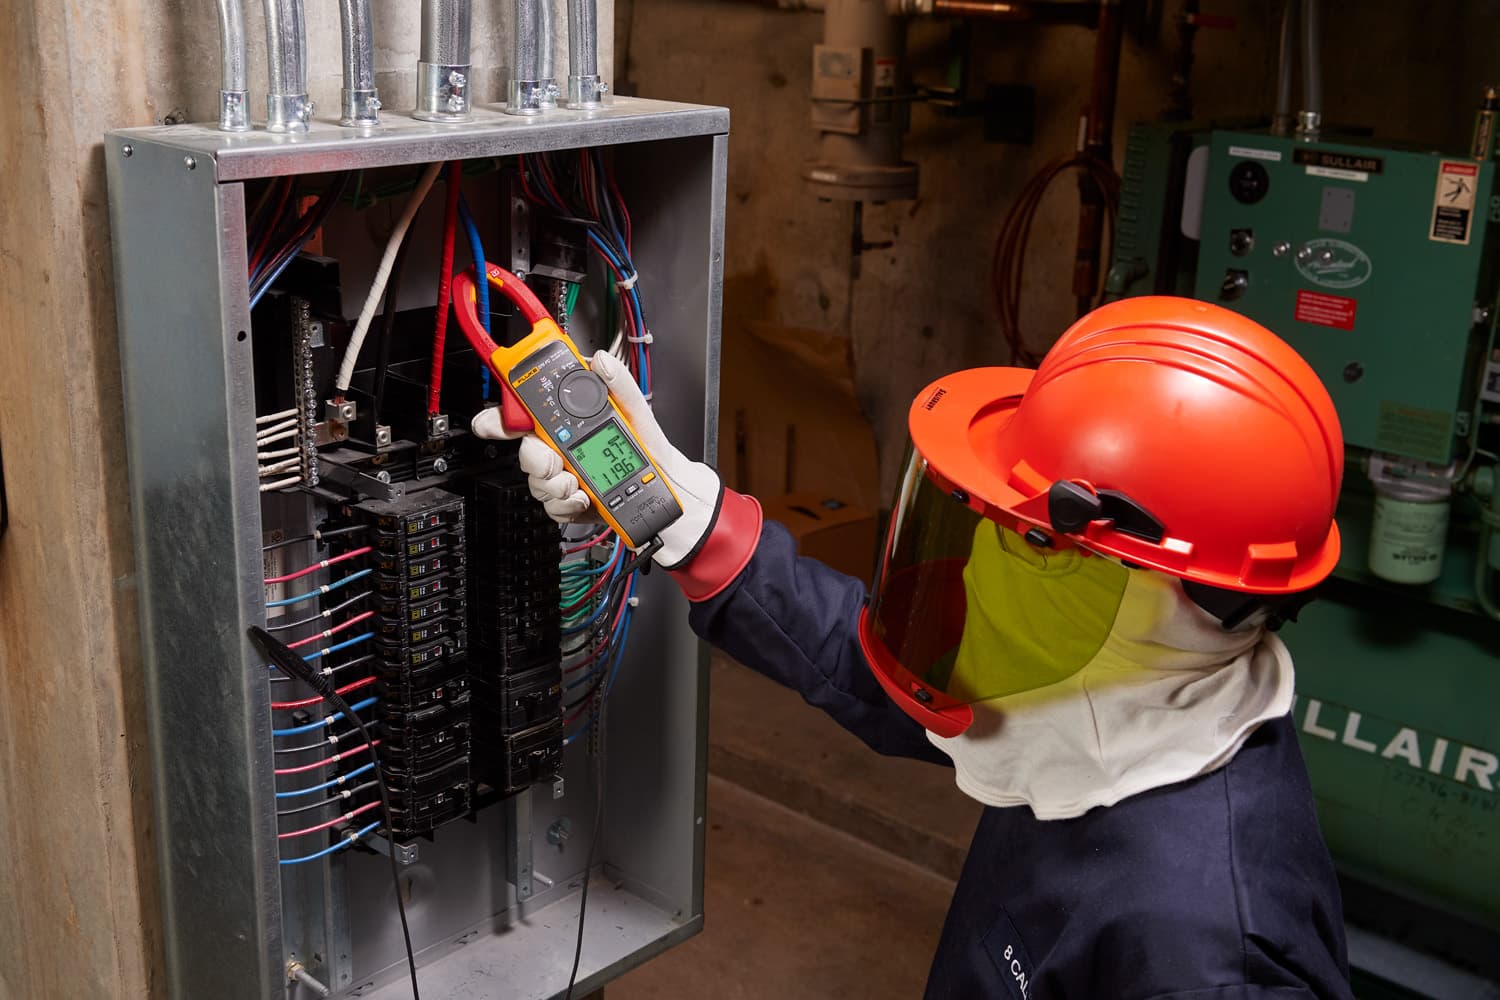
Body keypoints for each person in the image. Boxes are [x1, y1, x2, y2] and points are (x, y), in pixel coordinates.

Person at [474, 296, 1356, 999]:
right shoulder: (1108, 702)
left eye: (1030, 539)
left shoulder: (1208, 952)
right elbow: (894, 673)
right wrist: (682, 513)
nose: (984, 560)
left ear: (1172, 594)